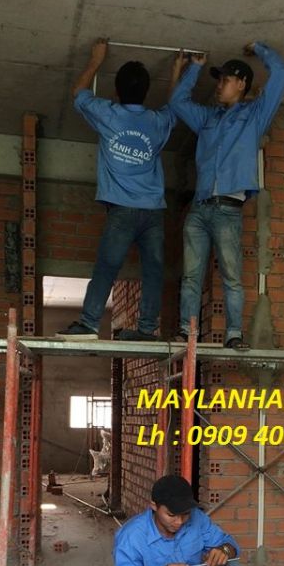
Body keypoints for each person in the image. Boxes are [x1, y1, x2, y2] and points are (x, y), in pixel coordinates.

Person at [58, 38, 180, 342]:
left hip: (122, 211)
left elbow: (78, 93)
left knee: (107, 267)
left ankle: (89, 325)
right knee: (153, 271)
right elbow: (175, 108)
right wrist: (177, 72)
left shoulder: (108, 113)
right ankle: (147, 330)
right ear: (146, 92)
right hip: (153, 211)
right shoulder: (156, 122)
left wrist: (96, 60)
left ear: (117, 90)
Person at [170, 42, 284, 350]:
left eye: (225, 80)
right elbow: (178, 102)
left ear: (241, 84)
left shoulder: (255, 115)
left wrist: (259, 48)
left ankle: (234, 334)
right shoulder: (208, 118)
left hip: (227, 210)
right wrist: (194, 68)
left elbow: (281, 72)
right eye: (219, 80)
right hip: (199, 208)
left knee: (232, 277)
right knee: (191, 277)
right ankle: (186, 331)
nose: (219, 85)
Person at [105, 474, 243, 566]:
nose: (179, 521)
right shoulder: (132, 535)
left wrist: (224, 550)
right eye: (171, 515)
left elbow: (228, 542)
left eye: (185, 514)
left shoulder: (197, 518)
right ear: (154, 506)